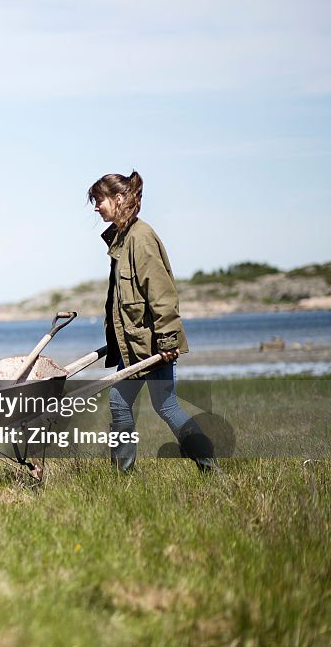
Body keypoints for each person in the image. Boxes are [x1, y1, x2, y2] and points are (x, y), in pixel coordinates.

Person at [87, 171, 217, 472]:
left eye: (99, 200)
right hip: (133, 343)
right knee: (131, 404)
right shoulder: (124, 238)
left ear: (119, 199)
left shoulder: (140, 238)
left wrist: (169, 341)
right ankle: (126, 475)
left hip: (149, 344)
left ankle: (206, 465)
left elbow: (161, 294)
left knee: (162, 406)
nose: (96, 208)